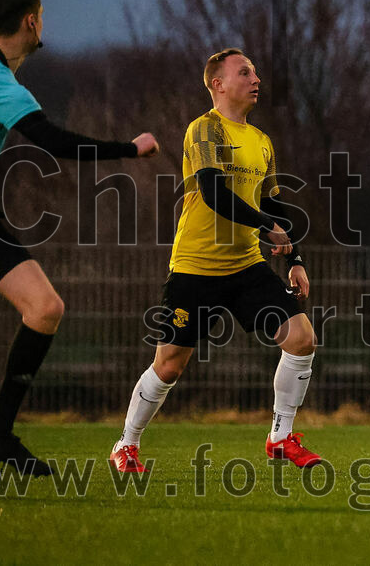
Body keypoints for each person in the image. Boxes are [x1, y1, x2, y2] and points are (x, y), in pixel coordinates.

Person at [109, 48, 319, 472]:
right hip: (195, 267)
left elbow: (272, 204)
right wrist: (265, 226)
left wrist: (294, 256)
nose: (255, 78)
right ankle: (126, 445)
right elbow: (213, 192)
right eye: (244, 72)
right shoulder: (204, 129)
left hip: (245, 267)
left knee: (301, 340)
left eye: (256, 71)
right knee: (169, 365)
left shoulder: (261, 142)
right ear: (218, 84)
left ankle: (280, 438)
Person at [0, 0, 159, 476]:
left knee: (44, 308)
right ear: (31, 20)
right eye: (42, 14)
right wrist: (130, 149)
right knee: (45, 308)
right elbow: (51, 141)